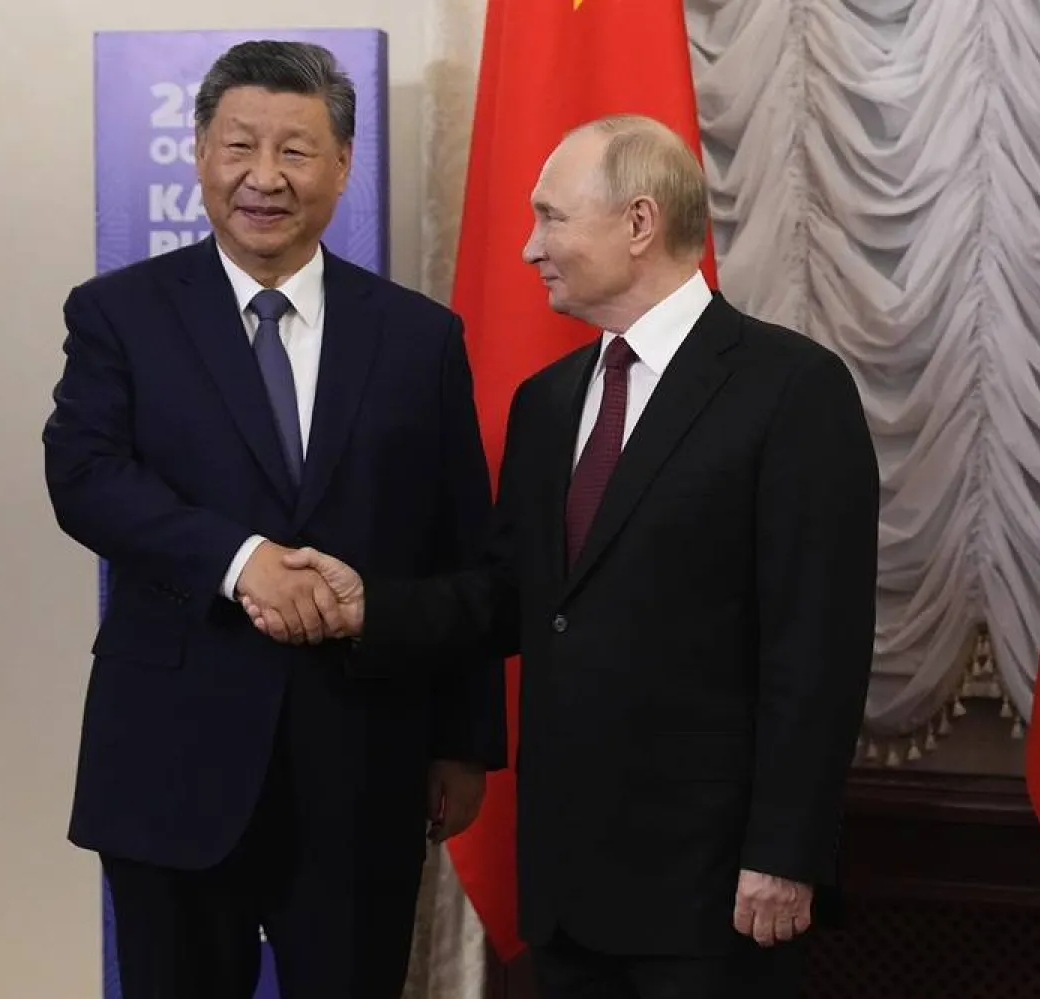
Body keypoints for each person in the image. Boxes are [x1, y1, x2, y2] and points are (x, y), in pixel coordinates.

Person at [246, 115, 880, 999]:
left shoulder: (791, 390)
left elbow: (817, 647)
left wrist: (785, 853)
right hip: (568, 890)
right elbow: (513, 597)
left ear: (639, 222)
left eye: (550, 217)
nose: (528, 248)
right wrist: (369, 607)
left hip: (717, 888)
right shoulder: (548, 402)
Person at [41, 40, 504, 999]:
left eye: (296, 150)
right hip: (172, 758)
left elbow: (460, 543)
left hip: (364, 759)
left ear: (342, 164)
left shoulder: (419, 337)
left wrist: (463, 741)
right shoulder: (120, 313)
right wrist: (239, 558)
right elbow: (85, 476)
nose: (265, 177)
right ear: (199, 153)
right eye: (239, 146)